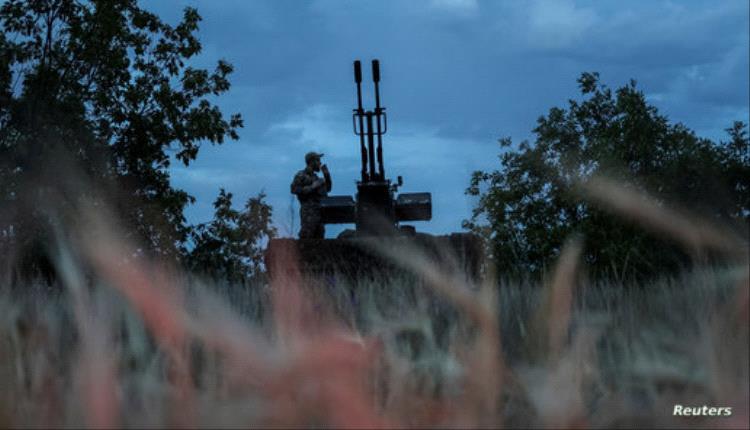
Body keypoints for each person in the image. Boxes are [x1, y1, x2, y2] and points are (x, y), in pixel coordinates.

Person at [290, 151, 332, 239]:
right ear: (311, 162)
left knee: (319, 237)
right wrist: (313, 186)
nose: (320, 163)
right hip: (308, 212)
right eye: (318, 160)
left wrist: (327, 177)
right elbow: (294, 189)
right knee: (307, 235)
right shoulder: (301, 175)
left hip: (319, 212)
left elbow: (327, 190)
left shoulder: (316, 178)